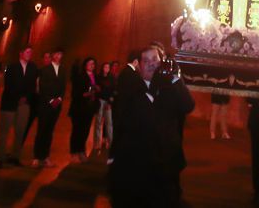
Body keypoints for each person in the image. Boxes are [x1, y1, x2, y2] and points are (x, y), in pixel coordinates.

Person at [110, 44, 195, 207]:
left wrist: (176, 78)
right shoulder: (132, 90)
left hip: (168, 163)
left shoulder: (170, 88)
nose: (150, 63)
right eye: (146, 60)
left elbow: (188, 105)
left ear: (161, 62)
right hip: (140, 165)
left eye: (154, 59)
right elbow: (122, 124)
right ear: (139, 66)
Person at [0, 44, 38, 167]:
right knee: (4, 132)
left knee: (20, 131)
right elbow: (9, 85)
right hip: (9, 103)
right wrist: (18, 97)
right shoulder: (12, 67)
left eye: (31, 52)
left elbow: (32, 86)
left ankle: (15, 156)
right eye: (27, 52)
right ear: (21, 53)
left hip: (24, 104)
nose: (29, 54)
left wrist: (26, 97)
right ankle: (0, 158)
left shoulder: (33, 67)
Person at [33, 48, 66, 167]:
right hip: (45, 105)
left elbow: (63, 87)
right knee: (41, 130)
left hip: (56, 106)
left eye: (60, 54)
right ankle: (37, 157)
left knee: (50, 132)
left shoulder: (63, 70)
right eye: (56, 54)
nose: (58, 56)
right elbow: (43, 87)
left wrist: (60, 99)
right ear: (52, 56)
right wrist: (51, 100)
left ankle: (46, 156)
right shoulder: (45, 70)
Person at [69, 56, 99, 162]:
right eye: (90, 63)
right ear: (85, 65)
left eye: (93, 64)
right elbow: (75, 93)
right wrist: (84, 94)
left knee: (85, 131)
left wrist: (97, 90)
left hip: (89, 109)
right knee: (77, 130)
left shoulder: (95, 77)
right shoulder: (80, 76)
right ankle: (74, 152)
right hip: (79, 108)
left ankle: (82, 150)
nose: (92, 65)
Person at [93, 61, 114, 155]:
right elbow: (96, 89)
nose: (106, 69)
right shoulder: (98, 77)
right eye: (105, 67)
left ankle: (110, 142)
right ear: (102, 68)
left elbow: (113, 90)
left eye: (108, 67)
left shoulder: (111, 78)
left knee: (109, 123)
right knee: (98, 123)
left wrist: (109, 102)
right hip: (100, 101)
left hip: (107, 102)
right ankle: (97, 143)